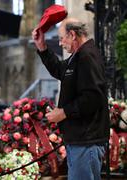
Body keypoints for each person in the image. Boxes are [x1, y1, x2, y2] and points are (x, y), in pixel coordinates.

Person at [32, 18, 110, 180]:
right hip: (80, 140)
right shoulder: (78, 56)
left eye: (61, 38)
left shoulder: (87, 57)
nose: (60, 43)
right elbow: (60, 70)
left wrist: (64, 112)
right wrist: (42, 48)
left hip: (86, 142)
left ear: (72, 35)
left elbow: (93, 97)